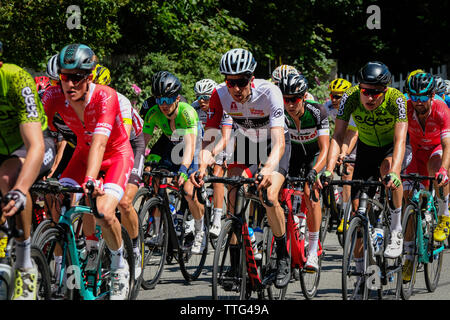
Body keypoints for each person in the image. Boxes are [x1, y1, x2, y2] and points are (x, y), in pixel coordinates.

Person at [191, 48, 292, 288]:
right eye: (230, 82)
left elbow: (279, 143)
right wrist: (202, 165)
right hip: (247, 142)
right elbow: (210, 139)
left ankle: (282, 255)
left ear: (252, 78)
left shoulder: (270, 92)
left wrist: (268, 168)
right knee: (234, 198)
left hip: (274, 144)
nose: (236, 88)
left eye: (242, 81)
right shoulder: (219, 94)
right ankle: (236, 266)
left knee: (268, 195)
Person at [42, 43, 134, 299]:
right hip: (83, 154)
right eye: (63, 77)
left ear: (89, 77)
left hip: (115, 155)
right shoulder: (52, 97)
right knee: (60, 200)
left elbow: (101, 142)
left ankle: (119, 265)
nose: (69, 84)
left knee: (103, 211)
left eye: (76, 78)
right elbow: (39, 134)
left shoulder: (106, 96)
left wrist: (91, 179)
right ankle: (74, 259)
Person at [319, 61, 411, 259]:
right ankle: (362, 273)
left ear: (385, 90)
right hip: (367, 148)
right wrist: (328, 168)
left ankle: (396, 229)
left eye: (375, 93)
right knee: (357, 210)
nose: (369, 97)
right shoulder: (350, 97)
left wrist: (395, 172)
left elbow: (400, 139)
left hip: (391, 146)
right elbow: (338, 135)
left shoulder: (397, 100)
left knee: (387, 169)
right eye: (365, 91)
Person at [0, 40, 56, 299]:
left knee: (8, 177)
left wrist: (21, 189)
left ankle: (24, 262)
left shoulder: (16, 79)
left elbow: (34, 145)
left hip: (35, 144)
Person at [143, 71, 206, 254]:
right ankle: (158, 231)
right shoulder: (153, 113)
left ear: (177, 98)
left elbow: (189, 148)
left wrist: (184, 170)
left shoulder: (187, 113)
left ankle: (200, 230)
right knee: (156, 180)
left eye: (168, 100)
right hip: (172, 145)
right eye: (159, 99)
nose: (163, 105)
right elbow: (142, 143)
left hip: (191, 147)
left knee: (187, 191)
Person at [91, 63, 144, 280]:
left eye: (98, 85)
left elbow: (124, 136)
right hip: (104, 146)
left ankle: (135, 248)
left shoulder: (119, 100)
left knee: (124, 202)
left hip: (129, 145)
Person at [279, 73, 329, 272]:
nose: (290, 104)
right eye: (286, 99)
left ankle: (312, 251)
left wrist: (315, 171)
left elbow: (325, 148)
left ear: (304, 96)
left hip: (315, 156)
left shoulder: (317, 112)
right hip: (292, 154)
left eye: (295, 99)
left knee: (311, 193)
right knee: (280, 193)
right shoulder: (279, 112)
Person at [403, 73, 450, 247]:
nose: (418, 102)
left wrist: (444, 171)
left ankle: (445, 215)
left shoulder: (441, 109)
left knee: (436, 167)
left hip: (436, 148)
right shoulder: (406, 108)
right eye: (414, 97)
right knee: (409, 199)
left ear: (432, 95)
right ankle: (408, 254)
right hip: (416, 151)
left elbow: (447, 144)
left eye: (423, 97)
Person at [192, 78, 230, 238]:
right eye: (198, 96)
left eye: (206, 97)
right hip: (205, 139)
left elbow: (226, 137)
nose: (202, 100)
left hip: (225, 139)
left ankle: (217, 218)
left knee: (217, 174)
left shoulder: (223, 106)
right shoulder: (194, 108)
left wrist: (214, 154)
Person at [325, 78, 358, 233]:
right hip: (339, 138)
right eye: (333, 95)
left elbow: (352, 133)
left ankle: (346, 214)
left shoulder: (352, 107)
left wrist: (344, 154)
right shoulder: (328, 106)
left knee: (347, 170)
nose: (334, 99)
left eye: (339, 96)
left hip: (355, 140)